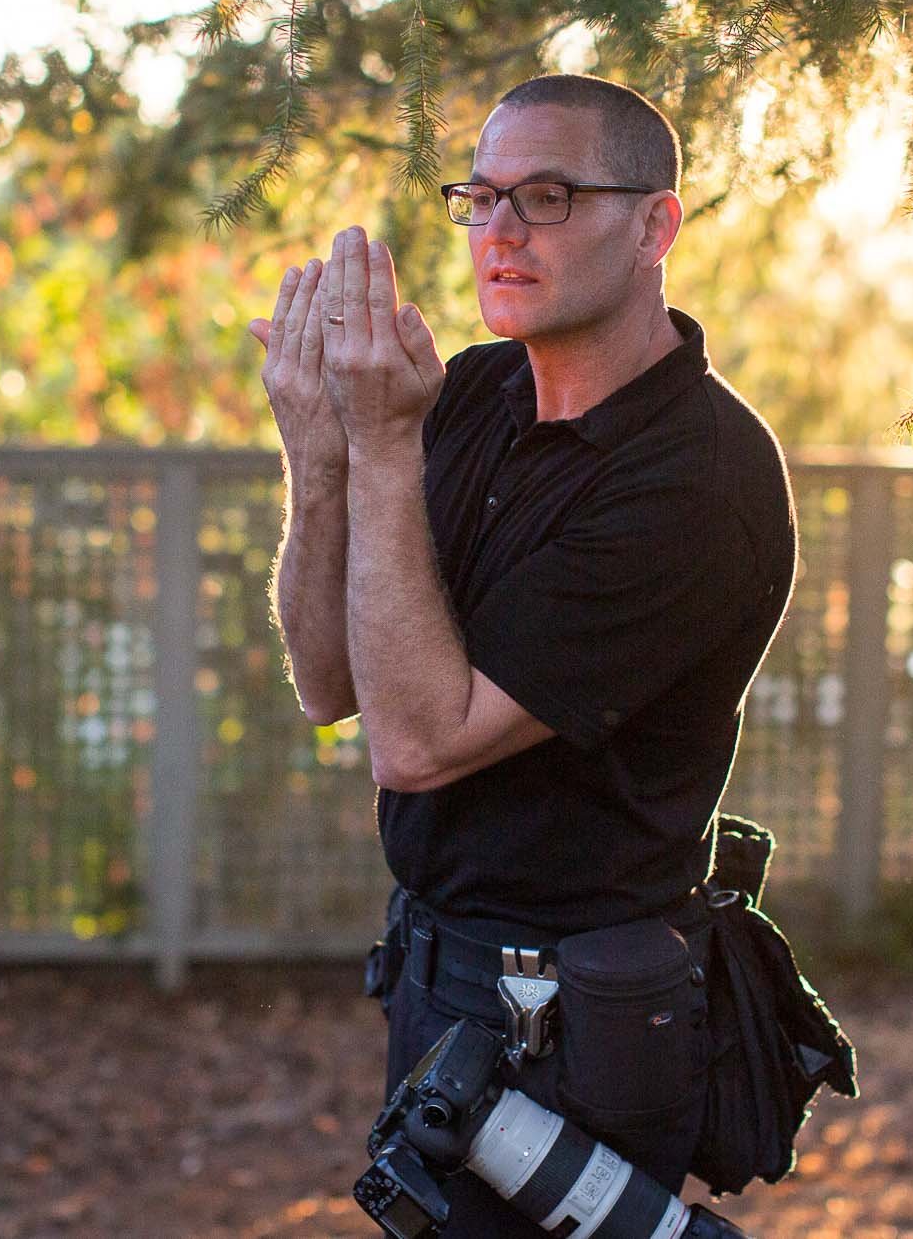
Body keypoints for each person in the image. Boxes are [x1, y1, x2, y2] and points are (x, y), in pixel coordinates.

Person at [247, 74, 798, 1235]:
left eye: (545, 197)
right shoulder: (481, 393)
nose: (498, 232)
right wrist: (321, 455)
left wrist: (385, 445)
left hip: (576, 1014)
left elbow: (415, 743)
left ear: (655, 226)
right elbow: (326, 684)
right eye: (481, 197)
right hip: (436, 972)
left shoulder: (695, 482)